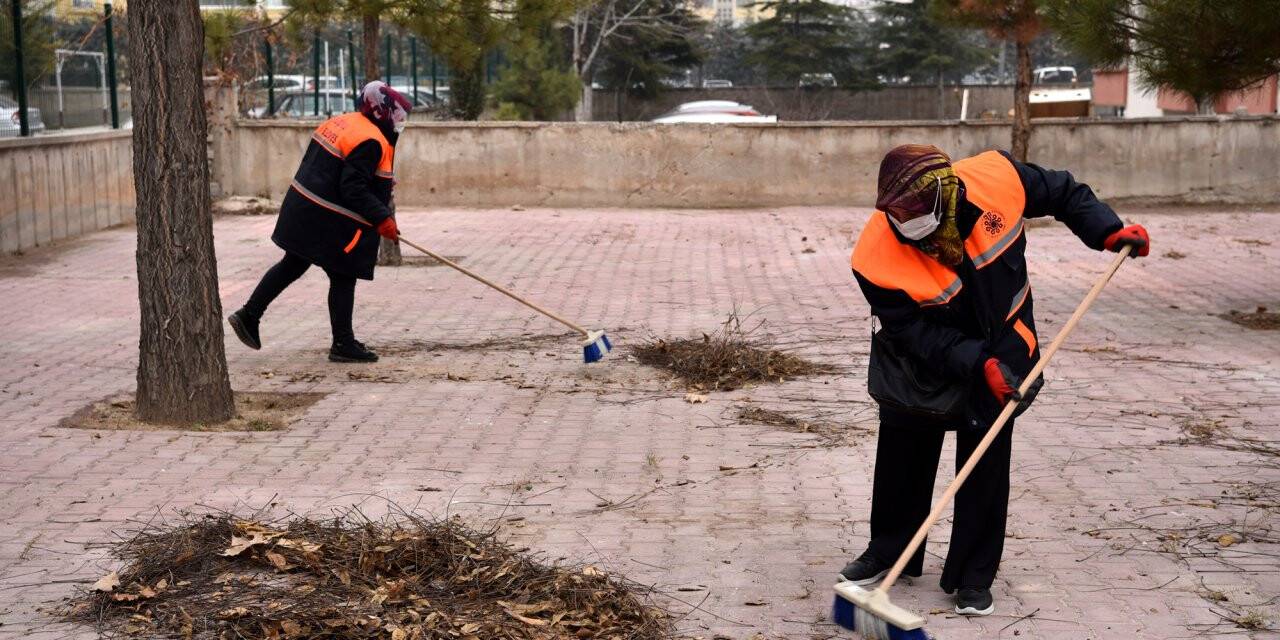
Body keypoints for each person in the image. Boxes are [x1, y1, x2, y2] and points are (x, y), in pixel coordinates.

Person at [839, 145, 1150, 616]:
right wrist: (971, 360)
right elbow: (911, 329)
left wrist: (1106, 230)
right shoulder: (873, 255)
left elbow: (1064, 192)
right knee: (904, 447)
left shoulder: (997, 178)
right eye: (898, 212)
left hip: (1005, 342)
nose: (909, 222)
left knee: (984, 454)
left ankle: (973, 574)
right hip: (923, 358)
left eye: (918, 210)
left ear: (946, 192)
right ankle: (890, 550)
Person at [227, 81, 412, 363]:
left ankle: (249, 315)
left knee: (295, 263)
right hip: (324, 217)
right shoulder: (372, 140)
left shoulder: (345, 123)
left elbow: (339, 170)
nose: (399, 124)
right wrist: (382, 217)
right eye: (397, 117)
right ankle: (342, 344)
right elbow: (353, 188)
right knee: (343, 273)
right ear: (380, 111)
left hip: (305, 207)